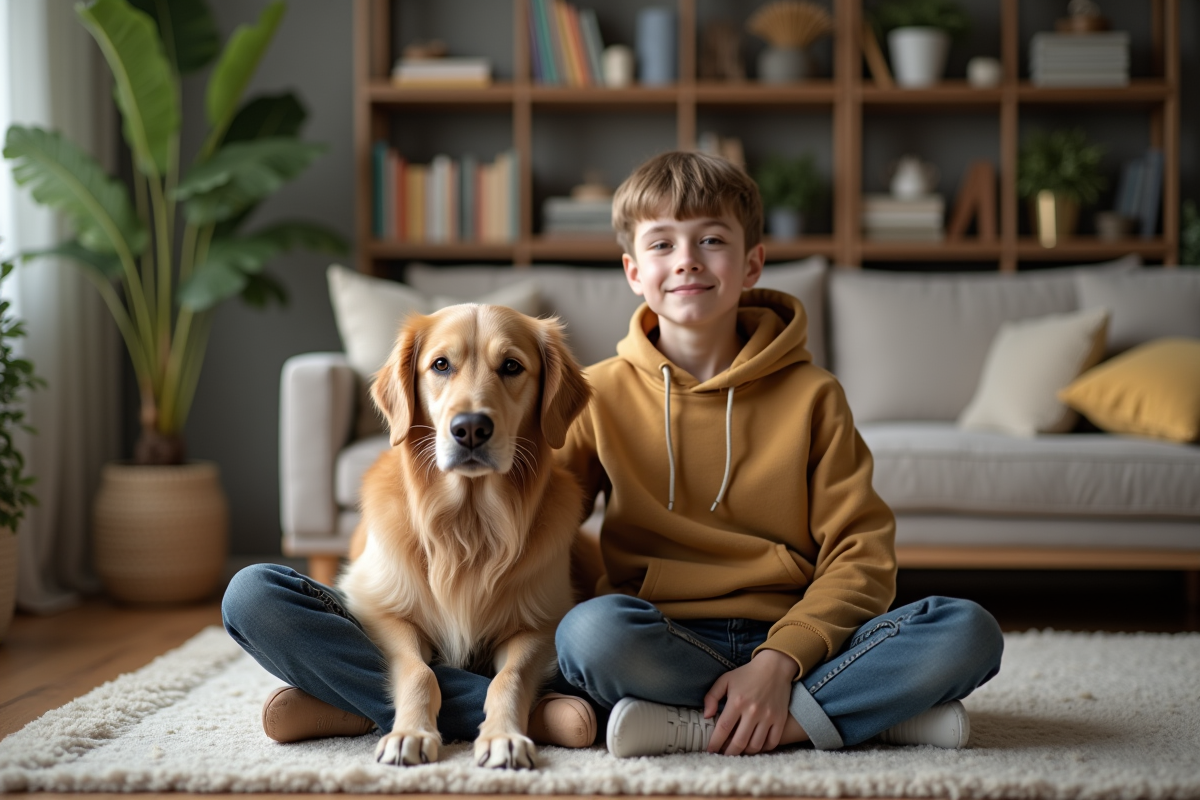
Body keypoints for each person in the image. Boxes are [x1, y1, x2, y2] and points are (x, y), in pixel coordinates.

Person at [553, 150, 1004, 758]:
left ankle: (714, 723)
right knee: (589, 634)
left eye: (711, 240)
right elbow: (543, 517)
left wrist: (779, 660)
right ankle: (852, 714)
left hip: (804, 636)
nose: (686, 260)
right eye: (662, 245)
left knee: (968, 631)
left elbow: (861, 555)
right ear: (634, 272)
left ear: (751, 265)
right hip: (665, 634)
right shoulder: (597, 392)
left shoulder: (814, 394)